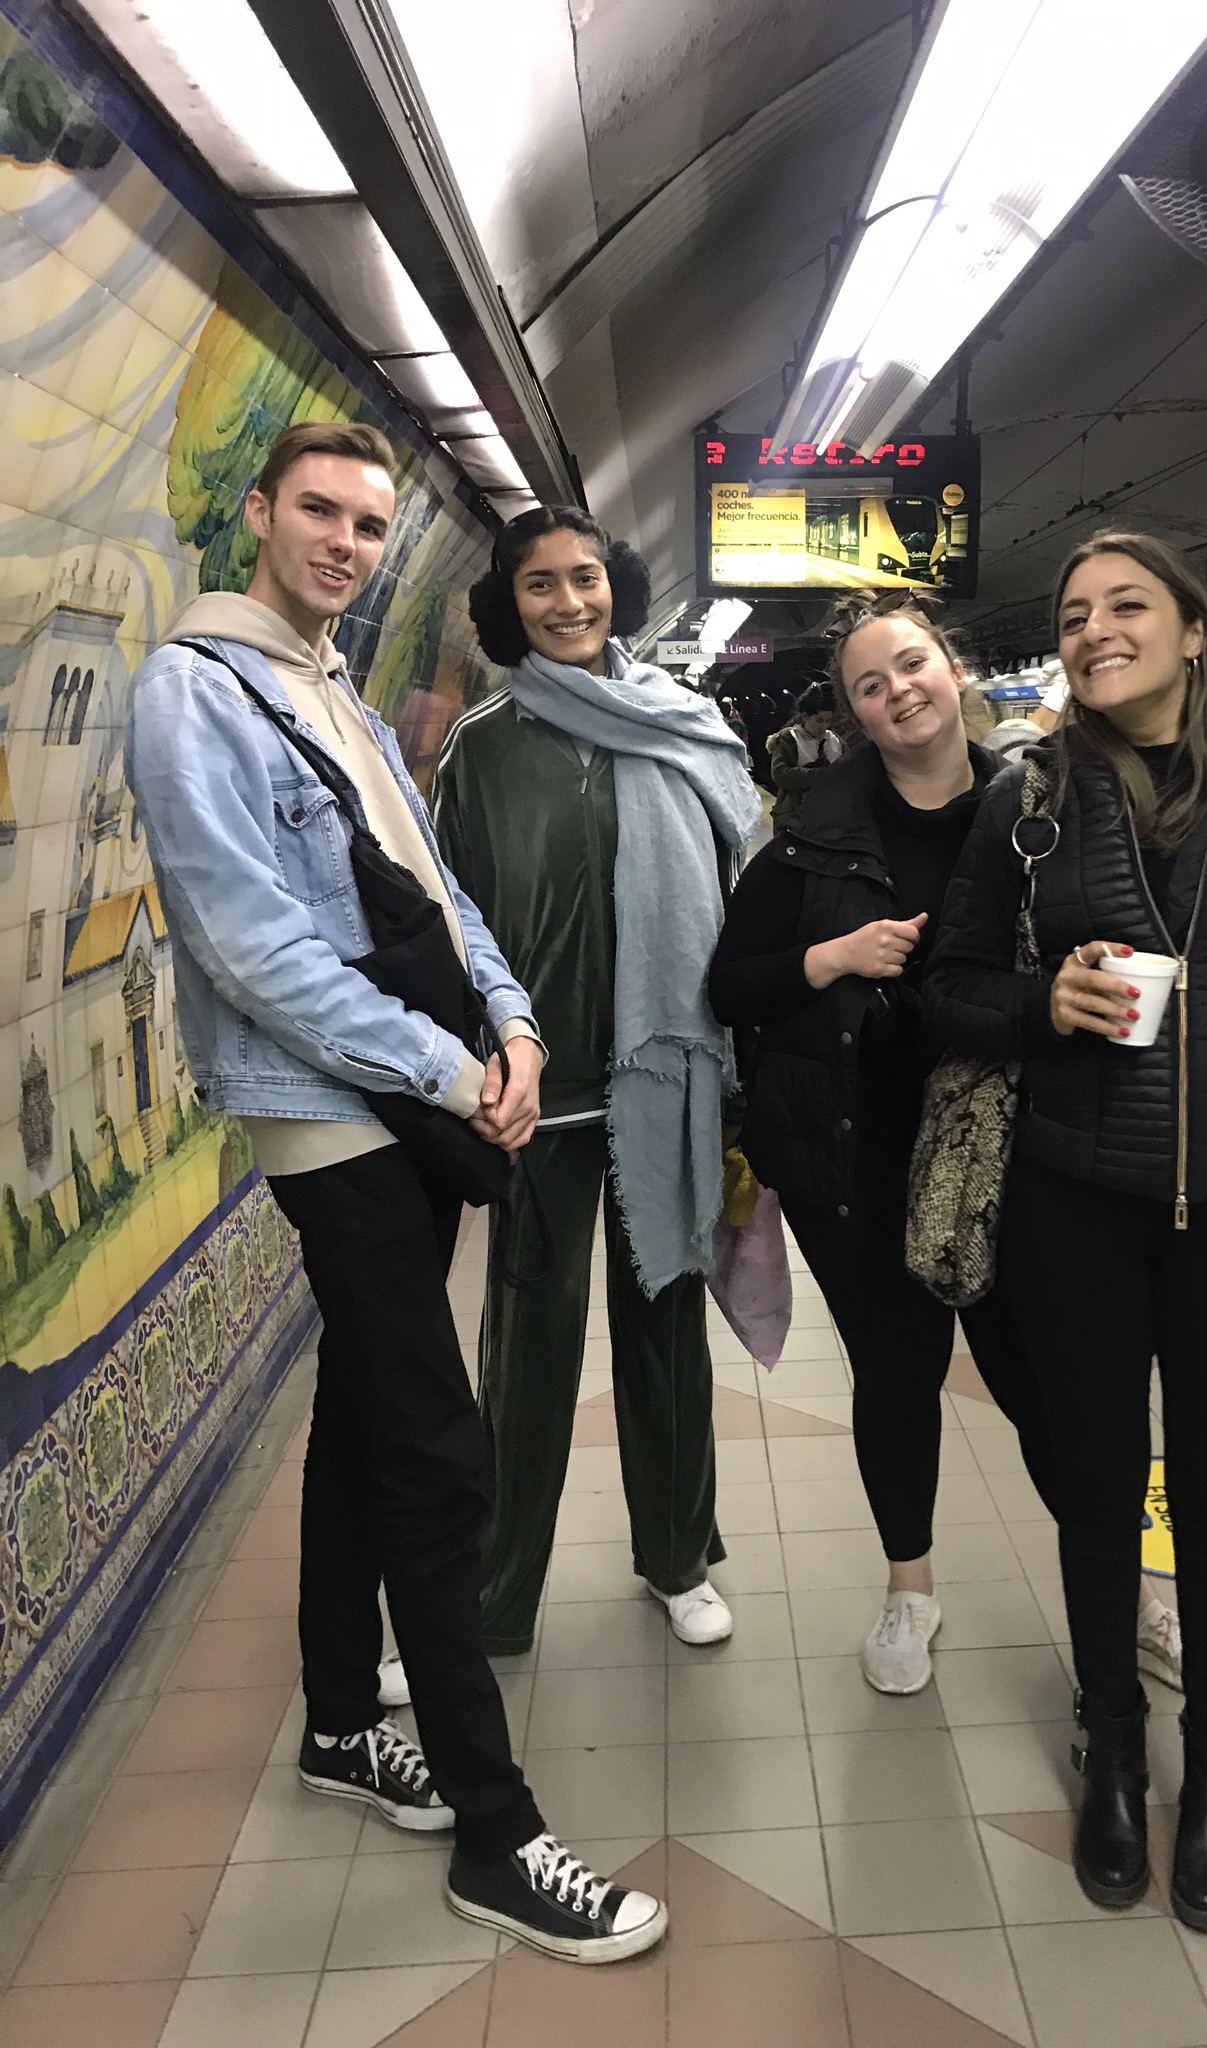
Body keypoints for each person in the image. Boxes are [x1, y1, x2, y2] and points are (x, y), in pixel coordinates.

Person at [123, 422, 664, 1961]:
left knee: (369, 1407)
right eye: (320, 511)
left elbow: (437, 894)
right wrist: (445, 1067)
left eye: (369, 524)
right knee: (435, 1447)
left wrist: (513, 1026)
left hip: (412, 1091)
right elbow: (248, 943)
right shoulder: (192, 693)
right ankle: (499, 1837)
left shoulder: (340, 691)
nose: (347, 545)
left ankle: (340, 1722)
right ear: (258, 514)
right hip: (325, 1111)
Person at [925, 531, 1207, 1932]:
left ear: (1194, 628)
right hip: (1074, 1202)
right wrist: (1039, 1003)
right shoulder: (1032, 795)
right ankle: (1111, 1743)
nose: (1094, 630)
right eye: (1074, 614)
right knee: (1099, 1487)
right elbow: (946, 984)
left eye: (1128, 605)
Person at [708, 590, 1180, 1697]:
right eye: (870, 685)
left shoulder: (1046, 815)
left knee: (1045, 1384)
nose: (899, 692)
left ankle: (1127, 1595)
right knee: (897, 1376)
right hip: (859, 1153)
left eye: (912, 664)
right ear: (854, 714)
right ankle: (908, 1590)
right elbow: (731, 986)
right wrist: (831, 958)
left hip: (1020, 1150)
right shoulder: (811, 842)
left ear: (952, 669)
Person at [436, 506, 759, 1659]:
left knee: (667, 1329)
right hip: (539, 1098)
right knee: (527, 1344)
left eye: (586, 577)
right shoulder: (481, 747)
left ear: (615, 584)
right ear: (507, 602)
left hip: (668, 1083)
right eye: (540, 584)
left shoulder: (683, 724)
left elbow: (744, 893)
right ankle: (495, 1591)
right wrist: (476, 1064)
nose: (568, 601)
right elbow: (455, 924)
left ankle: (678, 1557)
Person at [768, 681, 844, 834]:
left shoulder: (835, 741)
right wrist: (824, 775)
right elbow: (780, 774)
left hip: (829, 818)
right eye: (819, 720)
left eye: (828, 721)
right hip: (794, 817)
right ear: (805, 716)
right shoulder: (789, 739)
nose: (824, 727)